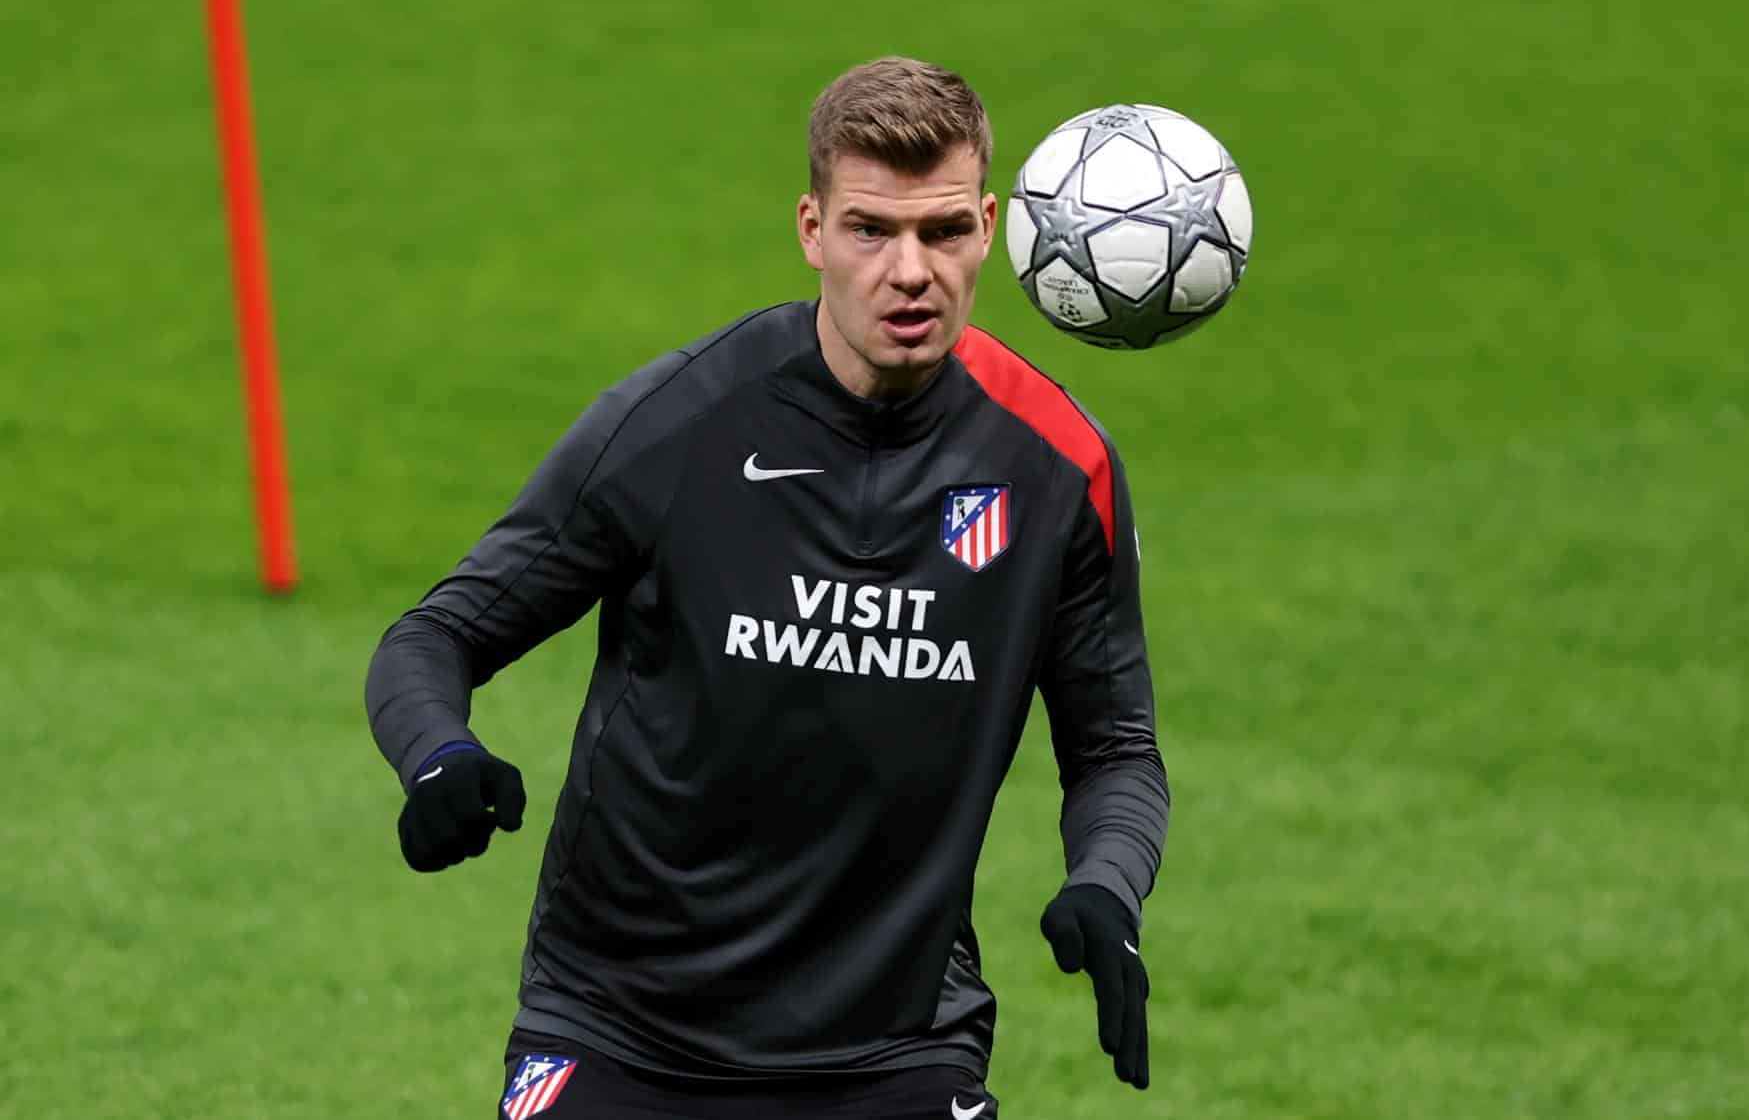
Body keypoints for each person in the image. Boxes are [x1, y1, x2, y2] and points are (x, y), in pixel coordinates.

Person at [365, 56, 1170, 1120]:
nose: (910, 270)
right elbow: (437, 634)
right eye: (870, 229)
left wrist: (1107, 885)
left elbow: (1114, 747)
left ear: (989, 228)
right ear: (811, 229)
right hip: (621, 1029)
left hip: (894, 1044)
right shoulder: (680, 425)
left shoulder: (1058, 466)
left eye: (942, 231)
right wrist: (438, 754)